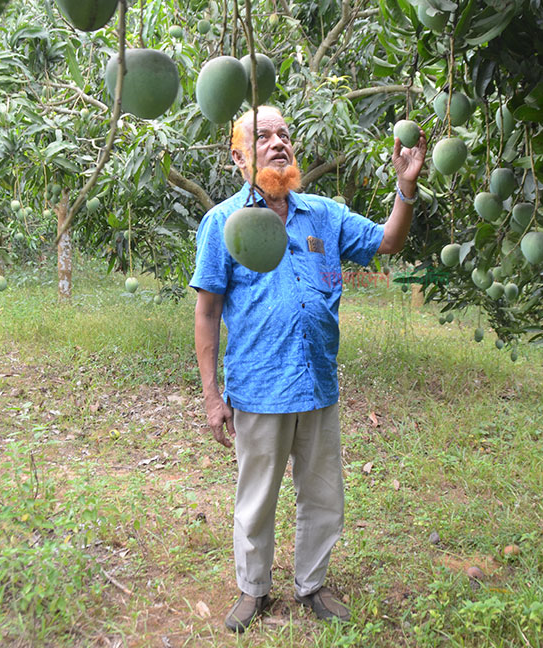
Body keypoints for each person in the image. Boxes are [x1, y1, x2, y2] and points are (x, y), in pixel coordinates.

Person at [190, 106, 427, 632]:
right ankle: (253, 590)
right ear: (237, 156)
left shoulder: (323, 214)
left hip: (317, 382)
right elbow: (206, 312)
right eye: (263, 137)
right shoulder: (224, 223)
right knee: (257, 500)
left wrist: (405, 188)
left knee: (323, 495)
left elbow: (388, 242)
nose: (279, 143)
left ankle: (311, 585)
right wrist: (211, 396)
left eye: (284, 135)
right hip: (259, 386)